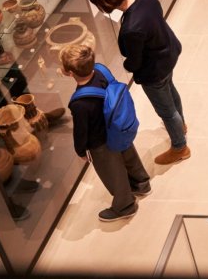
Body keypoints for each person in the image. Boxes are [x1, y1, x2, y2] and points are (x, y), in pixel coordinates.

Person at [84, 0, 190, 164]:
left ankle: (180, 147)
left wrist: (127, 66)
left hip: (154, 70)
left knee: (166, 111)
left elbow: (135, 61)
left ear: (105, 2)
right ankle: (180, 126)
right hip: (168, 53)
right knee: (171, 91)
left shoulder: (132, 28)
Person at [61, 43, 151, 222]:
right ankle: (141, 183)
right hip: (119, 126)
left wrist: (80, 151)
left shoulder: (79, 103)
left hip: (100, 142)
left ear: (70, 73)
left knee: (112, 172)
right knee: (128, 155)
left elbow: (81, 131)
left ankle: (125, 206)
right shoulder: (101, 71)